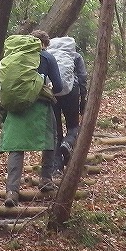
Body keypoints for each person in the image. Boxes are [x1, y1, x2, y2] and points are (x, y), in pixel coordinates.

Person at [1, 30, 64, 206]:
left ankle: (12, 191)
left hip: (15, 108)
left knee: (16, 147)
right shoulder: (47, 57)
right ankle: (45, 180)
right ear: (45, 43)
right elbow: (58, 86)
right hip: (39, 106)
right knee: (50, 138)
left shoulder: (14, 56)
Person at [46, 36, 88, 165]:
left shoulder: (48, 56)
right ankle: (68, 143)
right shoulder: (75, 56)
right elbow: (82, 78)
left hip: (52, 93)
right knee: (73, 125)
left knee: (56, 130)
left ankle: (57, 168)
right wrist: (83, 100)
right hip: (72, 92)